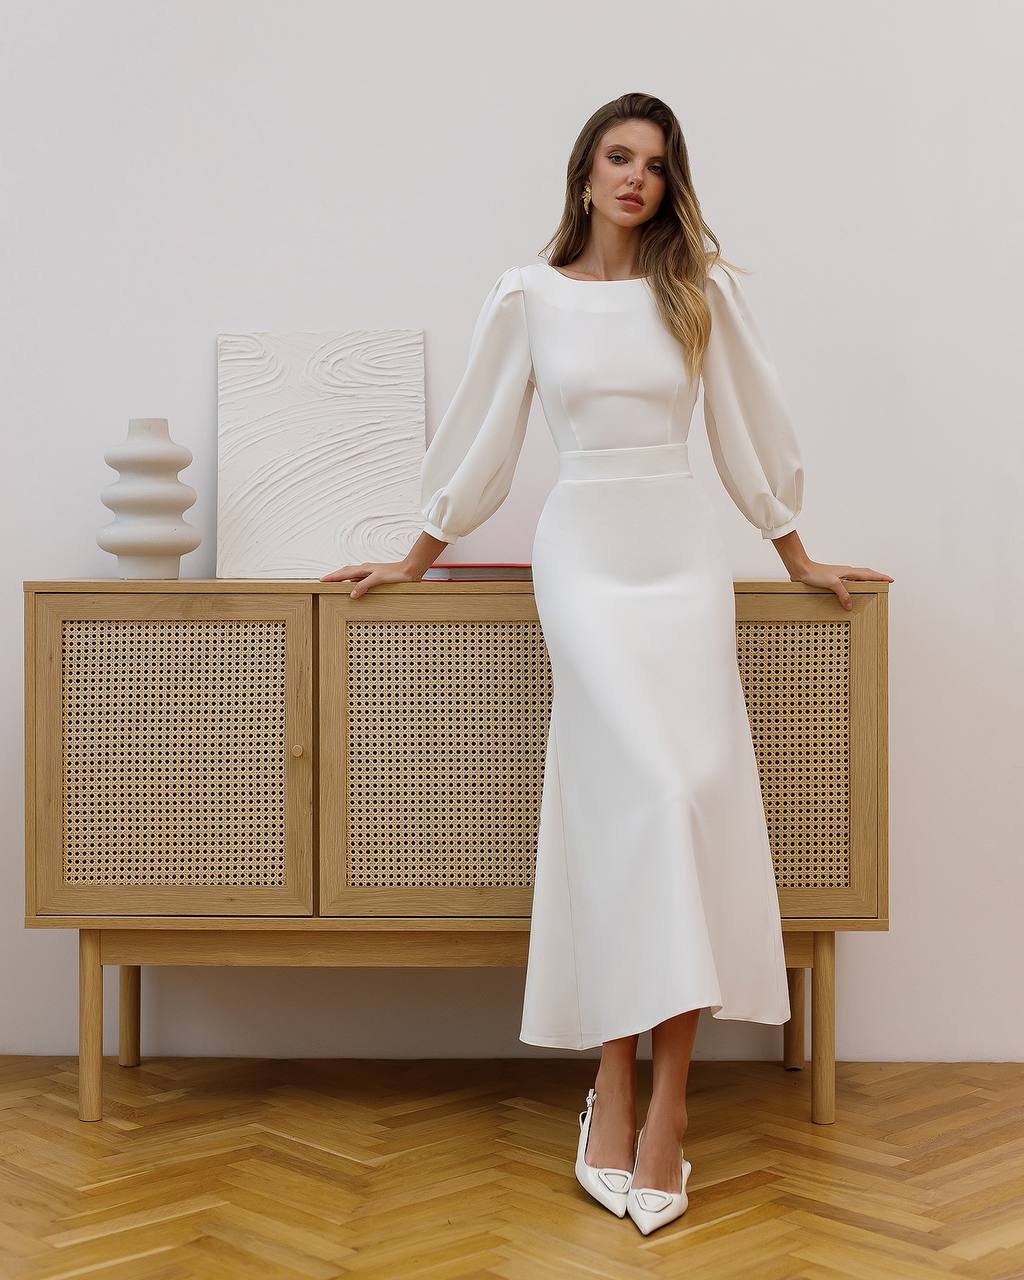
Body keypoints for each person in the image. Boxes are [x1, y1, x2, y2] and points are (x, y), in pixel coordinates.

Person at [320, 92, 894, 1234]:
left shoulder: (701, 292)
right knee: (634, 798)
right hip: (581, 560)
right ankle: (616, 1084)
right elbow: (484, 434)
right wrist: (413, 553)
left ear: (668, 184)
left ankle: (661, 1097)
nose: (635, 178)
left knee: (680, 802)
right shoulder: (526, 295)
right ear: (583, 172)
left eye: (656, 164)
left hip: (680, 557)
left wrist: (795, 552)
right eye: (618, 157)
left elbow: (743, 427)